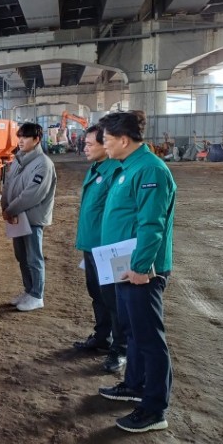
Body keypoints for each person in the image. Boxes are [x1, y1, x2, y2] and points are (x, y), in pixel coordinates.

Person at [96, 111, 176, 434]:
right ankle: (135, 384)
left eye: (106, 139)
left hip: (141, 270)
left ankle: (155, 408)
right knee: (132, 332)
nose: (103, 144)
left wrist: (142, 268)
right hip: (124, 266)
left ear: (124, 140)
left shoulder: (150, 170)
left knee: (149, 339)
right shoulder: (127, 168)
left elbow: (152, 224)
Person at [73, 125, 127, 373]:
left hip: (108, 248)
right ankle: (102, 337)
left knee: (115, 300)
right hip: (92, 245)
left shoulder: (115, 171)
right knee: (97, 295)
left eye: (89, 144)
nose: (85, 148)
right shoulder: (96, 168)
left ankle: (120, 348)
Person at [1, 122, 57, 311]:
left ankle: (37, 295)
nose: (21, 140)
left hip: (31, 218)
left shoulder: (43, 164)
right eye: (20, 137)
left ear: (37, 140)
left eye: (25, 137)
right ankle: (29, 290)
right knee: (22, 256)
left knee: (34, 257)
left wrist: (11, 209)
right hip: (16, 216)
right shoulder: (18, 160)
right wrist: (5, 206)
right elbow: (8, 185)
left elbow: (33, 194)